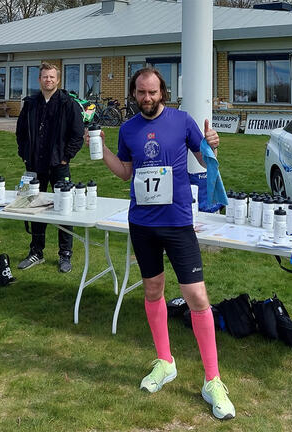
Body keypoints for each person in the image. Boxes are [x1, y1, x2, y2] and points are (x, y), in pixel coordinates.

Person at [91, 67, 235, 420]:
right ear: (134, 93)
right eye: (141, 92)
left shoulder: (182, 121)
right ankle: (165, 362)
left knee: (197, 295)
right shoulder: (127, 129)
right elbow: (126, 171)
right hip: (142, 223)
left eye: (153, 92)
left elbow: (203, 160)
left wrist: (212, 144)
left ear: (163, 92)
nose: (147, 98)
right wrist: (104, 150)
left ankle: (213, 380)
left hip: (177, 222)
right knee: (153, 289)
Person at [15, 63, 84, 273]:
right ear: (39, 80)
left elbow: (77, 134)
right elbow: (21, 132)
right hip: (35, 166)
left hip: (59, 165)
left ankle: (65, 254)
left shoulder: (68, 103)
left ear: (58, 80)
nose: (48, 80)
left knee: (64, 210)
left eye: (52, 77)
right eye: (45, 77)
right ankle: (36, 251)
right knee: (34, 208)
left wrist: (65, 158)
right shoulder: (31, 104)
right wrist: (25, 154)